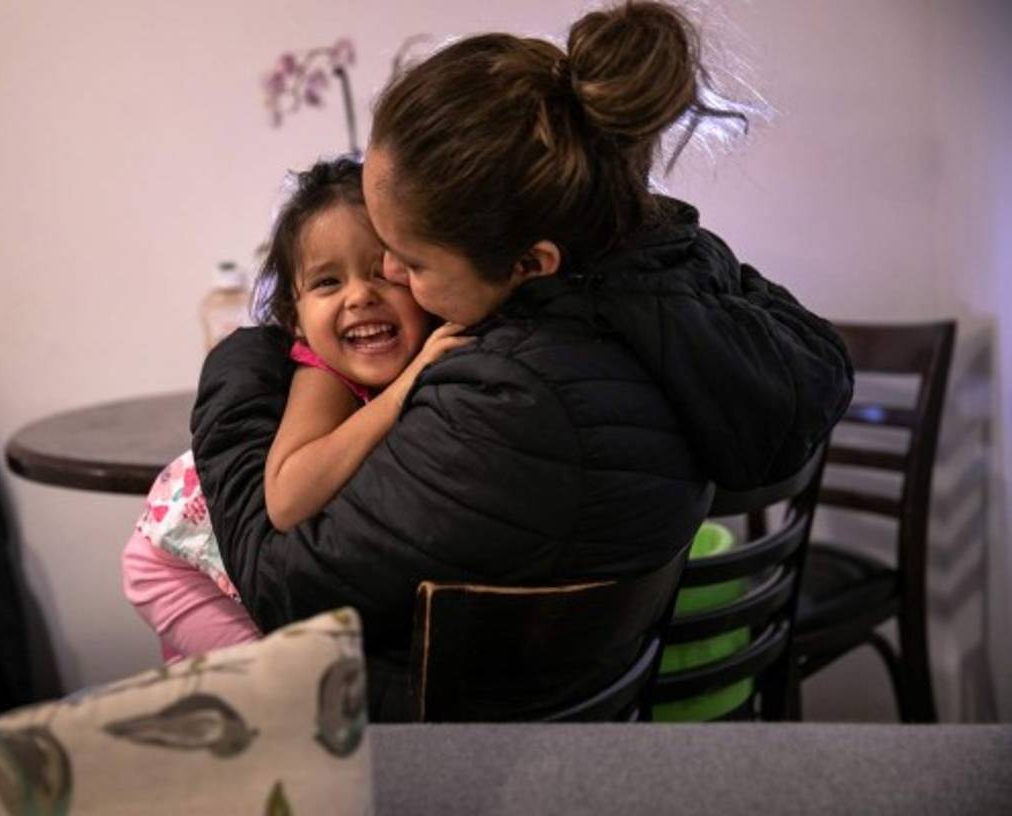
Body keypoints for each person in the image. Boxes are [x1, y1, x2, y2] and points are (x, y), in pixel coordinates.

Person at [192, 1, 854, 720]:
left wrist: (249, 354)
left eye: (409, 261)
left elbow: (278, 583)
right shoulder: (667, 294)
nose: (387, 271)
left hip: (441, 765)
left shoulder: (512, 397)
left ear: (530, 263)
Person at [122, 157, 464, 660]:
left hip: (224, 571)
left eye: (383, 273)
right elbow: (288, 497)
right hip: (177, 567)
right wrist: (403, 390)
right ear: (294, 318)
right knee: (294, 691)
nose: (360, 296)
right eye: (328, 282)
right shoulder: (323, 375)